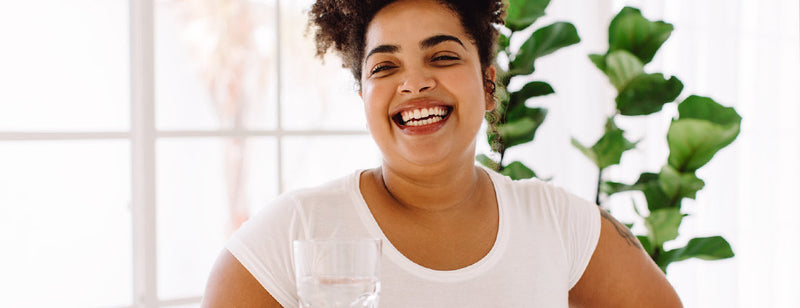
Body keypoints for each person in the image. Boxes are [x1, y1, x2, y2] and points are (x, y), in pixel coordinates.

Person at [201, 0, 683, 307]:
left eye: (443, 56)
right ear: (364, 96)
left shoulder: (558, 222)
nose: (413, 82)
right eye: (385, 66)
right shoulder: (296, 229)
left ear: (488, 85)